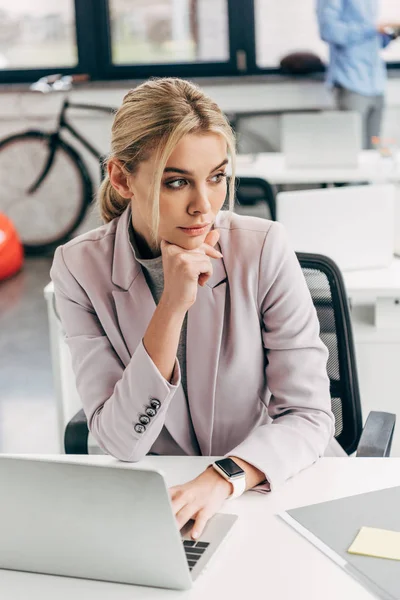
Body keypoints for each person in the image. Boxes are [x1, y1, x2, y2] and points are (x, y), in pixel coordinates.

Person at [50, 77, 343, 541]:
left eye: (217, 178)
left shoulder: (262, 248)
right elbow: (123, 441)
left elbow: (309, 415)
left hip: (271, 483)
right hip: (167, 503)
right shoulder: (79, 268)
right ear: (123, 178)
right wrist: (171, 306)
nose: (204, 206)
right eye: (176, 182)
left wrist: (222, 476)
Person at [317, 0, 400, 149]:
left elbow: (373, 41)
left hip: (376, 84)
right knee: (353, 150)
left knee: (373, 152)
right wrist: (373, 28)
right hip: (352, 82)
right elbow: (330, 32)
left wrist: (389, 34)